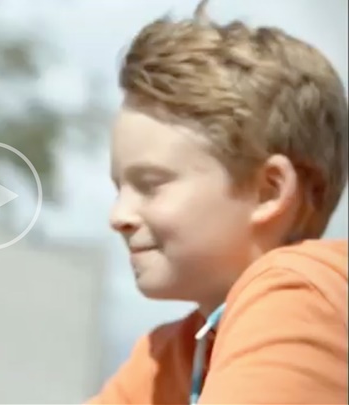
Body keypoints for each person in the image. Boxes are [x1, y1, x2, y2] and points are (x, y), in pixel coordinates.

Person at [89, 0, 348, 403]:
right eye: (119, 188)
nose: (118, 216)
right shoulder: (168, 356)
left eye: (151, 185)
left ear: (268, 191)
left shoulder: (302, 294)